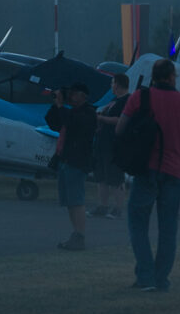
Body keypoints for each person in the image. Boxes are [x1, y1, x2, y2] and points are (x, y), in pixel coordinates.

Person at [117, 58, 180, 291]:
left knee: (138, 222)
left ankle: (145, 275)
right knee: (168, 227)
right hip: (174, 171)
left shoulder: (140, 97)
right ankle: (161, 278)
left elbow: (120, 129)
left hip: (146, 168)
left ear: (153, 76)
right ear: (172, 76)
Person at [45, 82, 98, 250]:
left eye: (75, 93)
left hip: (77, 161)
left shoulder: (89, 113)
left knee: (76, 200)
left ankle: (80, 235)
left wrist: (61, 105)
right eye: (71, 93)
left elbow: (73, 124)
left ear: (84, 96)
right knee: (69, 201)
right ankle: (75, 234)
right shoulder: (72, 112)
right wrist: (56, 104)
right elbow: (53, 122)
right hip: (66, 160)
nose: (71, 96)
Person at [90, 74, 130, 220]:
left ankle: (118, 208)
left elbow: (121, 120)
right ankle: (102, 206)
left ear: (118, 85)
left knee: (116, 178)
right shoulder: (114, 100)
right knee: (101, 177)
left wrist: (101, 118)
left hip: (115, 145)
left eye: (112, 83)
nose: (111, 86)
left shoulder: (127, 101)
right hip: (102, 143)